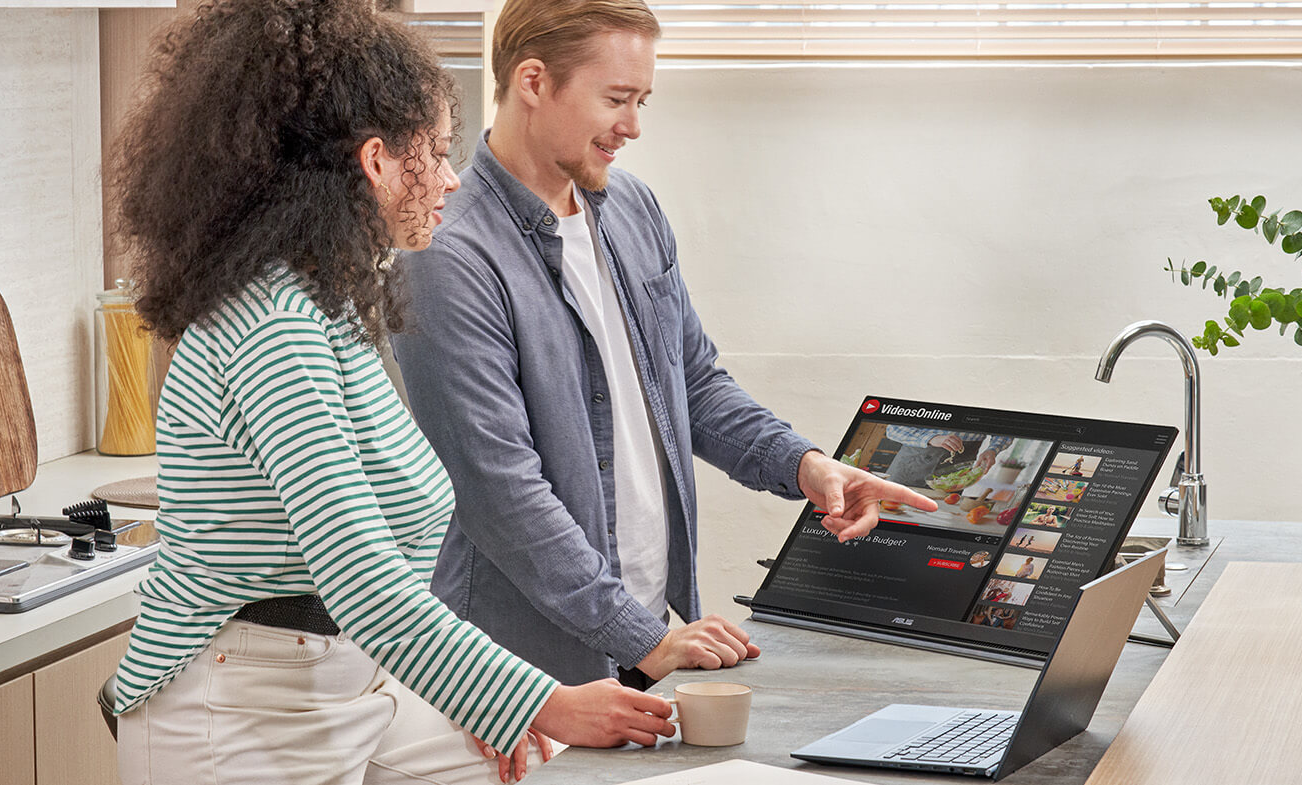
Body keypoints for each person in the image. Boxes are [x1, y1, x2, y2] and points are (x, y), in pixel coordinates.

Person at [105, 3, 673, 783]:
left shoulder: (330, 303)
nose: (450, 178)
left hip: (351, 683)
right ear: (375, 162)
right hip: (241, 714)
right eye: (435, 154)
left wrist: (484, 703)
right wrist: (532, 699)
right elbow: (360, 575)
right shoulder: (274, 327)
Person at [391, 0, 935, 689]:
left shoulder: (634, 212)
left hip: (647, 642)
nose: (633, 126)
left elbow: (693, 384)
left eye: (641, 99)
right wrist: (642, 636)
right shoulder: (448, 254)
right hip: (522, 675)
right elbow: (499, 491)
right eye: (617, 98)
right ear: (532, 81)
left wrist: (806, 467)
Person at [881, 426, 1013, 490]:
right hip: (912, 462)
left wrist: (993, 450)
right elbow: (893, 429)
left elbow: (1006, 429)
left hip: (957, 469)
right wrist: (931, 438)